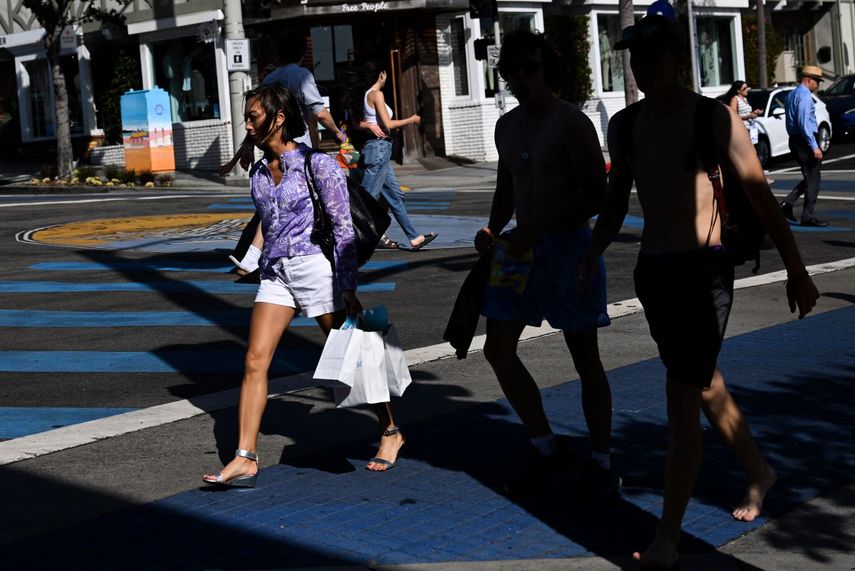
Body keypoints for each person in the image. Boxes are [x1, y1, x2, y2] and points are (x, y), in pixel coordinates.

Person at [579, 9, 820, 568]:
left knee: (681, 399)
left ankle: (667, 536)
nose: (641, 67)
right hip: (654, 272)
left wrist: (797, 269)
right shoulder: (627, 124)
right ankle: (759, 469)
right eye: (634, 58)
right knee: (702, 381)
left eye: (652, 56)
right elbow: (617, 200)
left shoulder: (712, 119)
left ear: (677, 59)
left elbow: (760, 194)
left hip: (705, 271)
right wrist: (590, 254)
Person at [203, 84, 406, 488]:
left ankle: (389, 431)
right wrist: (250, 259)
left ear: (278, 119)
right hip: (277, 273)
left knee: (355, 358)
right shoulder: (260, 173)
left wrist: (347, 285)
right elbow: (267, 220)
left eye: (253, 116)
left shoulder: (318, 165)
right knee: (254, 360)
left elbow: (344, 228)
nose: (247, 123)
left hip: (318, 270)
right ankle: (245, 457)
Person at [473, 30, 619, 498]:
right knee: (497, 348)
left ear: (546, 69)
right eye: (512, 70)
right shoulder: (507, 126)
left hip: (569, 250)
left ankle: (601, 459)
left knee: (585, 358)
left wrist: (544, 227)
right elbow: (506, 188)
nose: (520, 79)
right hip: (520, 253)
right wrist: (493, 229)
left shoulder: (572, 123)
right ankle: (544, 445)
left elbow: (597, 196)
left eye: (529, 69)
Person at [226, 27, 350, 276]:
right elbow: (319, 111)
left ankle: (253, 255)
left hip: (271, 150)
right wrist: (338, 133)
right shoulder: (301, 74)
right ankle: (322, 255)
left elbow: (258, 118)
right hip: (296, 148)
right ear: (303, 53)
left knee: (275, 202)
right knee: (308, 202)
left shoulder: (270, 79)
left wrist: (248, 146)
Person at [344, 61, 438, 251]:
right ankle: (349, 240)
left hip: (380, 150)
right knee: (368, 199)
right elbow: (387, 124)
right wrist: (411, 120)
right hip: (378, 149)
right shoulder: (376, 94)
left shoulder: (364, 95)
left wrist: (369, 125)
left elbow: (356, 123)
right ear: (382, 74)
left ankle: (414, 237)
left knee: (395, 196)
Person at [781, 65, 828, 227]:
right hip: (804, 141)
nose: (818, 85)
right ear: (809, 80)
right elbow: (803, 123)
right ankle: (807, 215)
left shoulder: (791, 95)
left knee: (810, 177)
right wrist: (814, 146)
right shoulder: (805, 97)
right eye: (817, 81)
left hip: (795, 140)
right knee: (814, 178)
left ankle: (787, 204)